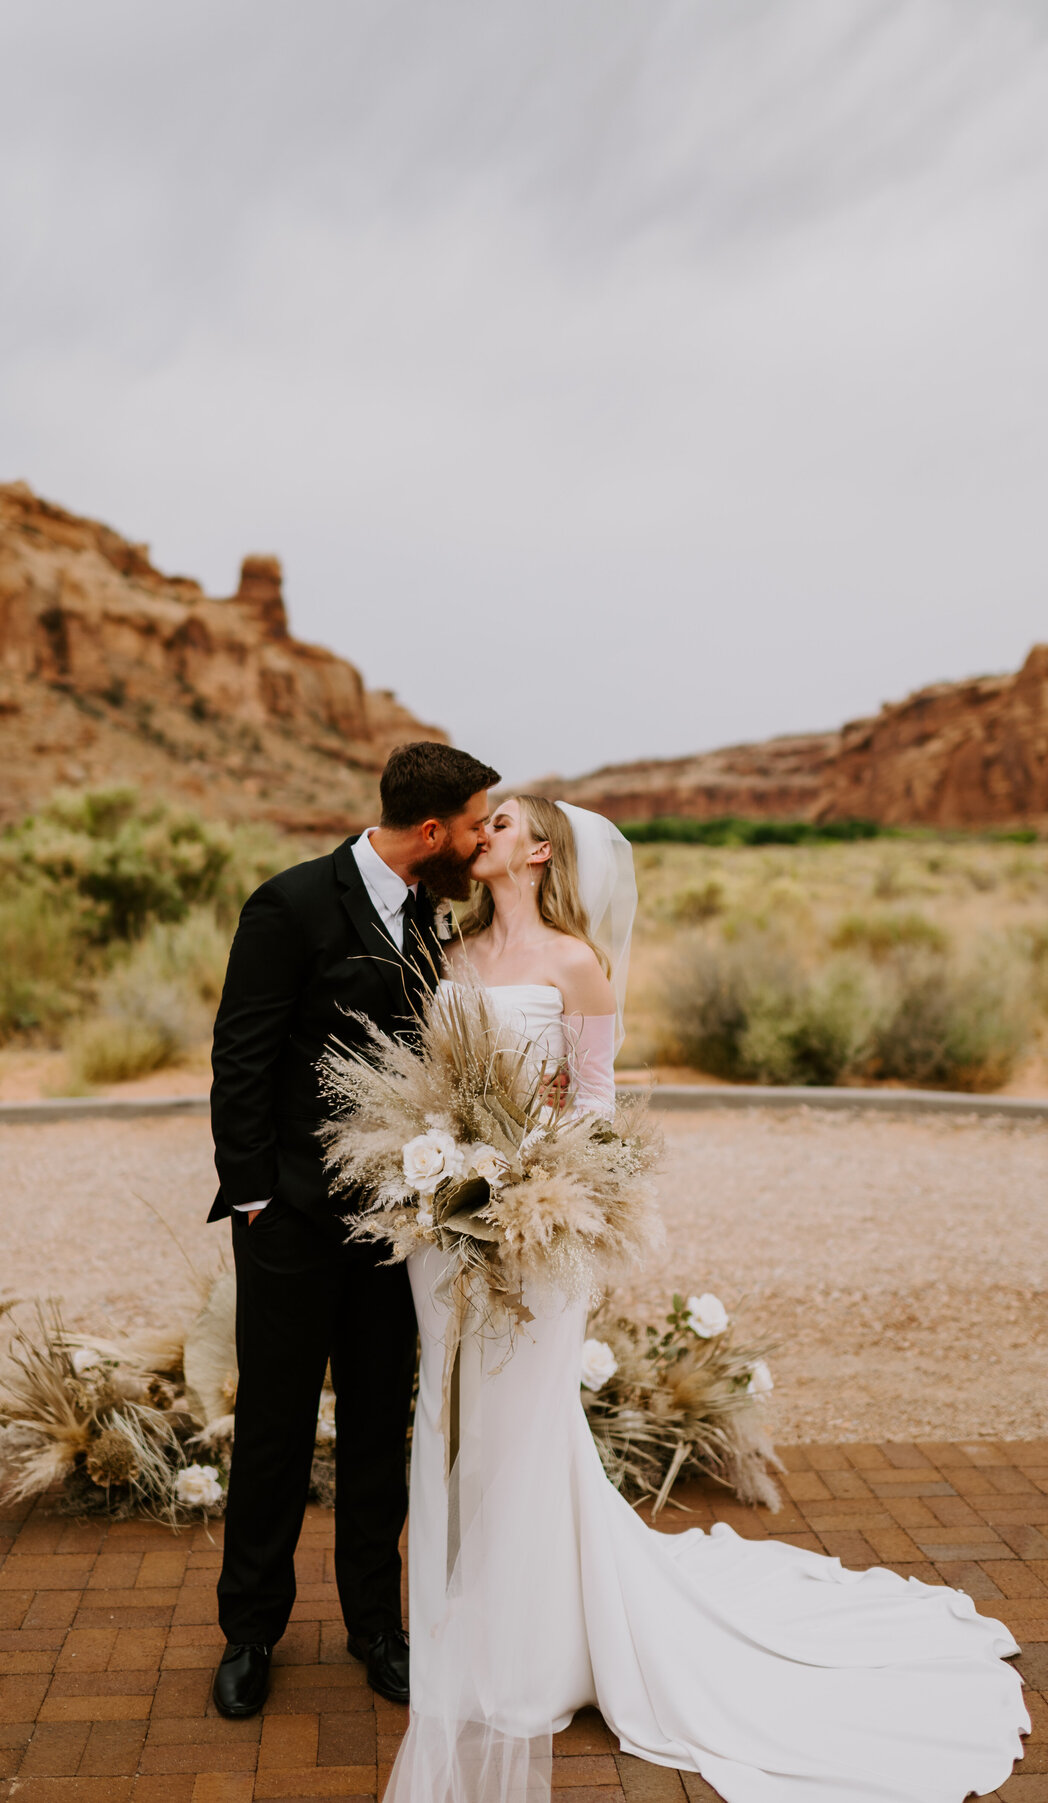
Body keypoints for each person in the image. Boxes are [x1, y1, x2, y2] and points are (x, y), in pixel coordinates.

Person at [389, 793, 1028, 1803]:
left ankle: (536, 1653)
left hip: (539, 1228)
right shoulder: (452, 954)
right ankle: (483, 1617)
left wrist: (528, 1186)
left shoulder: (576, 964)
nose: (483, 835)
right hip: (447, 1229)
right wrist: (438, 1172)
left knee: (526, 1424)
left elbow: (593, 1104)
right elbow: (431, 1082)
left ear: (542, 849)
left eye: (503, 823)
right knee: (462, 1424)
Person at [206, 741, 499, 1721]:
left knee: (379, 1427)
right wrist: (252, 1199)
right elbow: (240, 1056)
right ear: (431, 831)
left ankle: (376, 1627)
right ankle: (251, 1634)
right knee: (276, 1430)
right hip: (289, 1221)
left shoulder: (435, 917)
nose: (479, 839)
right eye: (473, 823)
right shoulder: (289, 905)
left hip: (394, 1229)